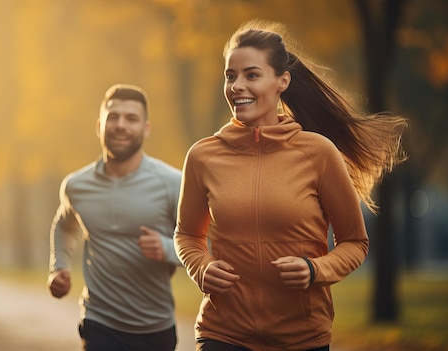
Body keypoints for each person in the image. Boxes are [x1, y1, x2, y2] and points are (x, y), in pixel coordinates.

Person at [174, 20, 407, 351]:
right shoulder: (203, 156)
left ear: (282, 81)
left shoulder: (318, 152)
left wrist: (315, 270)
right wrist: (202, 267)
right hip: (222, 335)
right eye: (230, 75)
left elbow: (355, 242)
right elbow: (187, 235)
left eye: (251, 75)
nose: (236, 85)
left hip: (301, 339)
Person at [48, 84, 183, 351]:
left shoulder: (173, 183)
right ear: (99, 126)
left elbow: (208, 245)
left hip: (154, 327)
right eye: (113, 117)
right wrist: (59, 267)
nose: (121, 125)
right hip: (99, 322)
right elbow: (64, 226)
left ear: (146, 128)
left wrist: (167, 248)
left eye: (131, 118)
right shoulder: (76, 185)